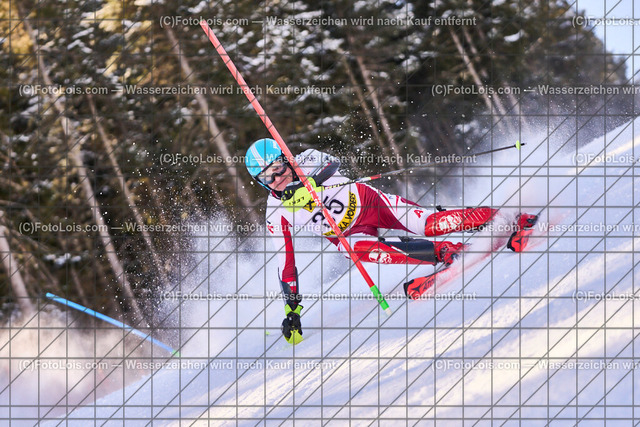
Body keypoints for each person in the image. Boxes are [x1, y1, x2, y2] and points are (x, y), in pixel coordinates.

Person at [245, 138, 536, 344]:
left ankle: (511, 217)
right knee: (354, 250)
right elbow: (286, 263)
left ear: (286, 160)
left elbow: (331, 164)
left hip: (373, 204)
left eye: (277, 168)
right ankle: (447, 252)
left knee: (430, 224)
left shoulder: (306, 160)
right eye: (266, 178)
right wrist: (292, 309)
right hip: (351, 235)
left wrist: (307, 185)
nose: (276, 179)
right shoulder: (276, 212)